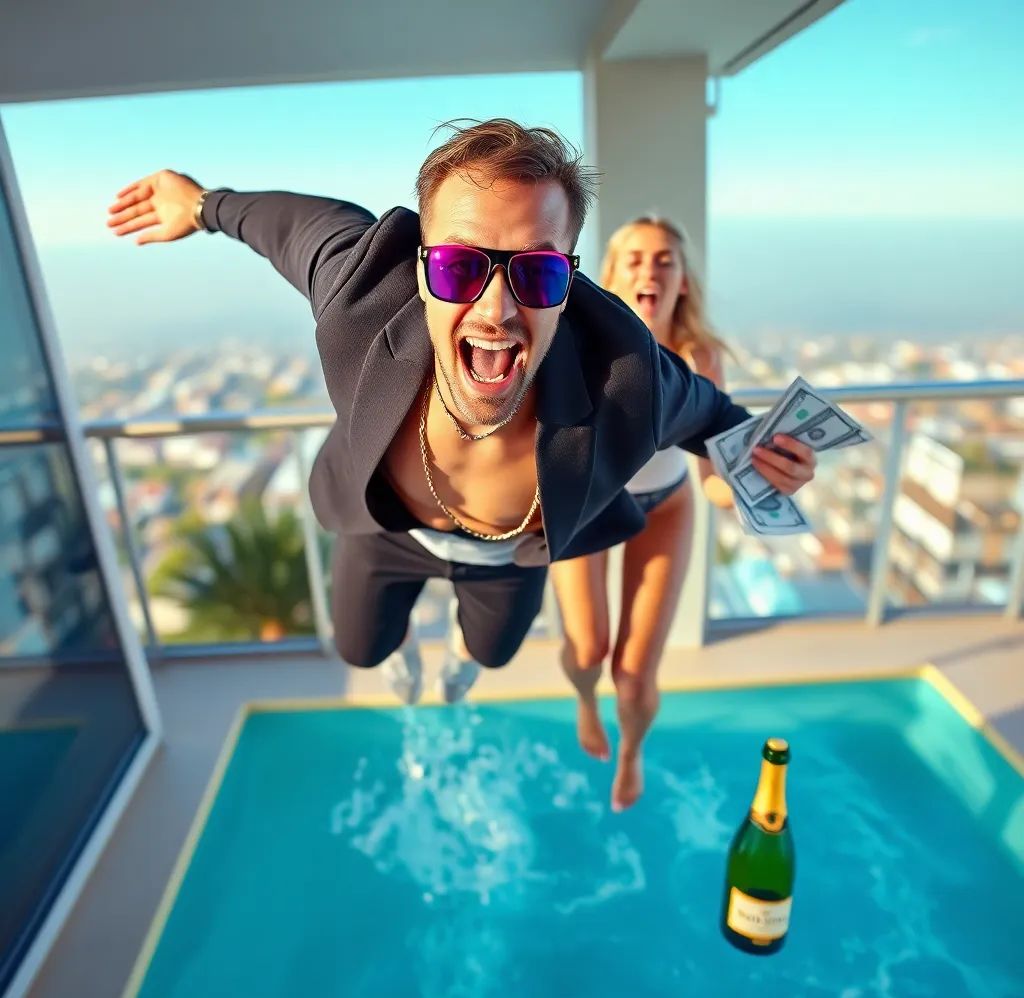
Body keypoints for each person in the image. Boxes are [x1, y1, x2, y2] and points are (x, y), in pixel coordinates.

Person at [106, 118, 816, 711]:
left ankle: (463, 644)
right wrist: (202, 205)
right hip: (385, 530)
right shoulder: (362, 289)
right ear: (419, 267)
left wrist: (766, 452)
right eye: (458, 268)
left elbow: (711, 415)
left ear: (569, 278)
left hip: (505, 552)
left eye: (536, 273)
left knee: (493, 653)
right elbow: (290, 224)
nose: (496, 310)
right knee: (361, 648)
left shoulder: (625, 373)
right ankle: (401, 638)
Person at [551, 216, 749, 812]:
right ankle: (585, 700)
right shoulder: (583, 342)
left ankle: (632, 750)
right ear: (612, 275)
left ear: (683, 281)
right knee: (588, 653)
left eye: (665, 259)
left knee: (635, 675)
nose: (650, 269)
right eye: (635, 257)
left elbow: (713, 476)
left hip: (666, 507)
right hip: (589, 505)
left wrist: (746, 493)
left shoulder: (701, 357)